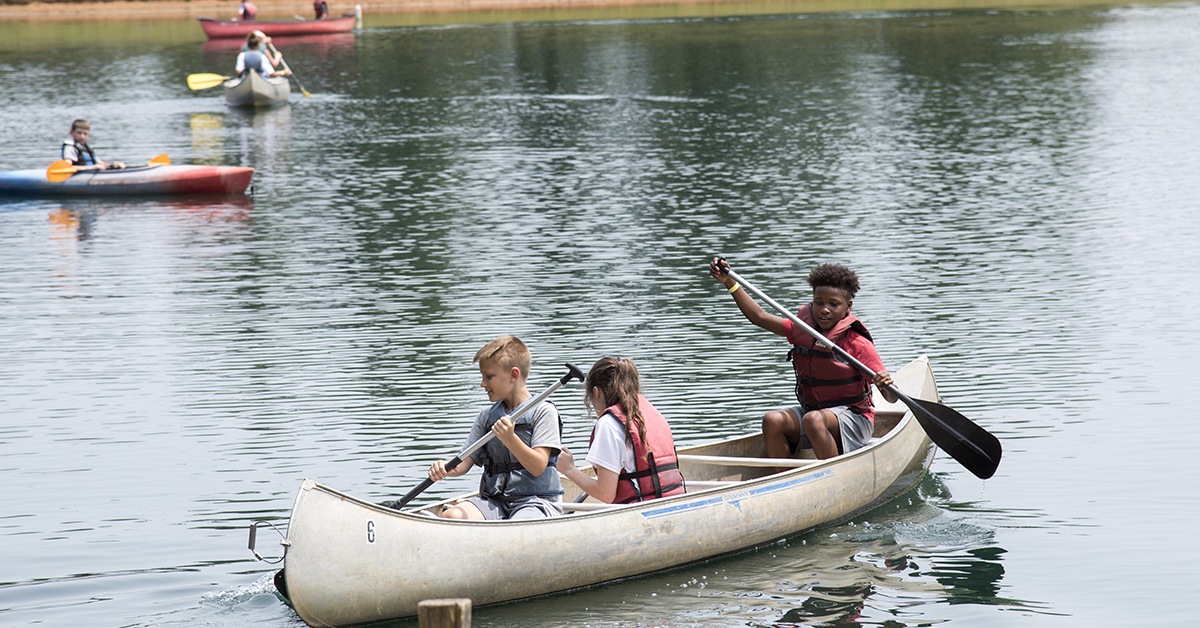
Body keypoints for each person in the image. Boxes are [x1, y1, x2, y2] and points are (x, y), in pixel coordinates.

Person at [709, 258, 897, 465]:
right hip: (814, 415)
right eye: (819, 302)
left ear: (847, 307)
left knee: (813, 420)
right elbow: (759, 316)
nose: (825, 309)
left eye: (834, 304)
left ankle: (836, 476)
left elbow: (891, 398)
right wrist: (729, 282)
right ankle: (782, 481)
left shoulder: (857, 343)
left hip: (855, 420)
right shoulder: (801, 329)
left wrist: (886, 384)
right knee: (772, 420)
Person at [427, 335, 565, 520]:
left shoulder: (543, 411)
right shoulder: (487, 417)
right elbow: (463, 464)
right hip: (494, 501)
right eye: (482, 376)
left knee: (518, 524)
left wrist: (510, 439)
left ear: (513, 375)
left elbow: (538, 466)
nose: (483, 384)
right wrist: (444, 466)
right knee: (453, 515)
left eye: (489, 376)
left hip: (536, 501)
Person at [558, 357, 685, 504]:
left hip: (641, 512)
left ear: (596, 392)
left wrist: (569, 469)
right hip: (675, 503)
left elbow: (605, 494)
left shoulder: (608, 424)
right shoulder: (651, 412)